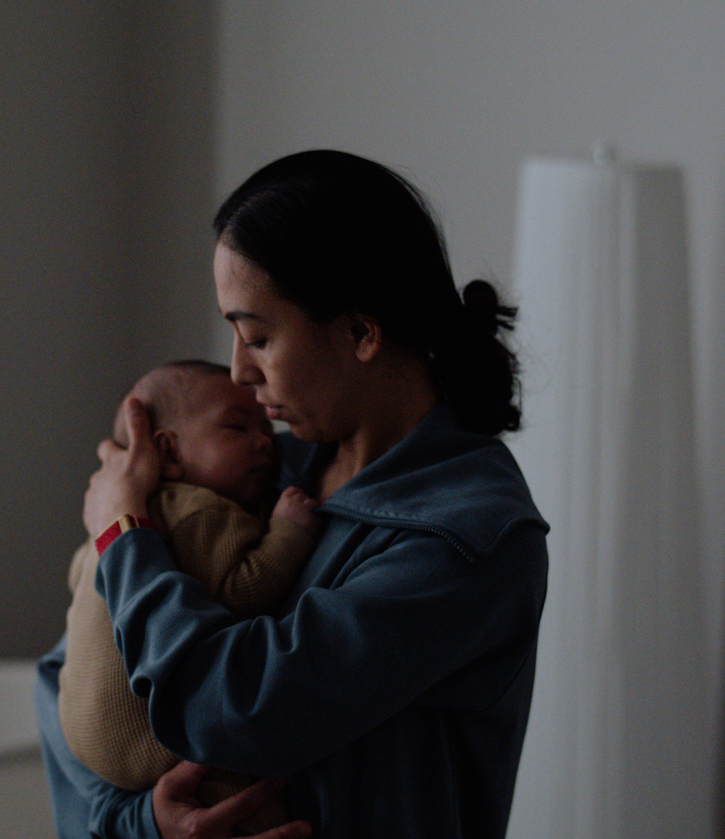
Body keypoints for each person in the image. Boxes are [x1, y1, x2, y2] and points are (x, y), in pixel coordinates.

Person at [35, 149, 549, 839]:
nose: (238, 373)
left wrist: (122, 532)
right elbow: (64, 676)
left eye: (257, 336)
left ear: (360, 332)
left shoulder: (467, 540)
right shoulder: (263, 467)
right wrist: (140, 823)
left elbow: (238, 706)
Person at [58, 360, 319, 835]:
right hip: (156, 741)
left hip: (84, 738)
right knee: (249, 801)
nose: (265, 441)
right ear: (167, 452)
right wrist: (288, 533)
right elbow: (243, 590)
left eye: (266, 428)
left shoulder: (104, 522)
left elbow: (79, 592)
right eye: (238, 427)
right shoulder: (201, 509)